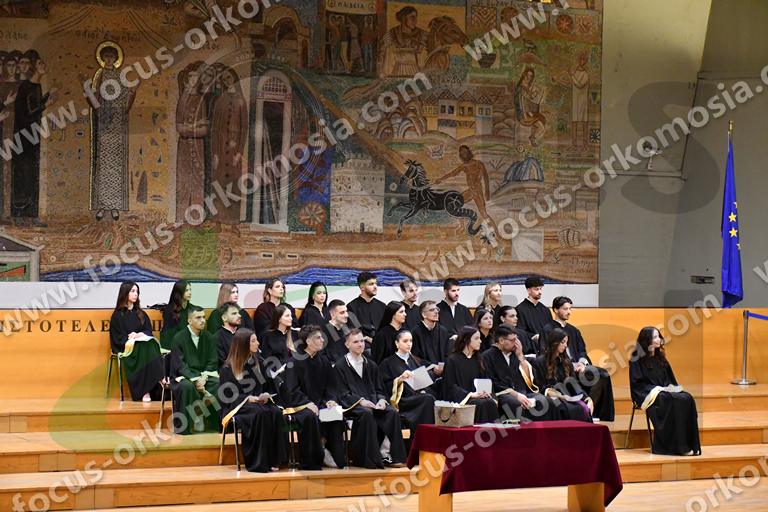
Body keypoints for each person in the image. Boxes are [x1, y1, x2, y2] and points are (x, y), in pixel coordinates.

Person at [334, 329, 407, 468]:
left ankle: (394, 457)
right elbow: (342, 393)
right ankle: (369, 459)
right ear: (347, 344)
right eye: (356, 342)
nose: (360, 344)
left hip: (373, 403)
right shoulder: (340, 366)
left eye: (362, 341)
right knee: (367, 413)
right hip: (352, 405)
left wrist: (381, 400)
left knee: (392, 412)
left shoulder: (371, 365)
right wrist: (361, 401)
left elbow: (380, 389)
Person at [219, 328, 288, 472]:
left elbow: (268, 385)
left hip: (258, 403)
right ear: (244, 344)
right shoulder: (228, 368)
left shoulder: (259, 363)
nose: (258, 343)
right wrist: (247, 399)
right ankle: (258, 461)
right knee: (259, 414)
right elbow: (227, 396)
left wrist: (266, 395)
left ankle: (276, 459)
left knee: (275, 412)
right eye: (253, 341)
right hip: (238, 406)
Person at [630, 327, 701, 456]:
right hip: (646, 394)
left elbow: (670, 380)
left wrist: (671, 389)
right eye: (655, 337)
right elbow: (637, 385)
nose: (659, 339)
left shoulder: (660, 358)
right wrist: (659, 390)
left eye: (659, 336)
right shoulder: (636, 360)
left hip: (663, 391)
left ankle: (689, 444)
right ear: (647, 340)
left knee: (687, 398)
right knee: (670, 399)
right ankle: (676, 447)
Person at [284, 325, 346, 469]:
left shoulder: (324, 362)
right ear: (308, 341)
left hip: (321, 404)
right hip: (300, 406)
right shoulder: (294, 362)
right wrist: (307, 403)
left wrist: (331, 400)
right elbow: (291, 390)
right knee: (310, 416)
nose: (322, 340)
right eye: (318, 338)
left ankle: (332, 453)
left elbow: (331, 386)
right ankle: (313, 459)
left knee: (336, 414)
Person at [544, 297, 615, 421]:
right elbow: (545, 351)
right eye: (565, 309)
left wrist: (582, 363)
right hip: (560, 367)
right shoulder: (548, 329)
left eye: (570, 309)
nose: (569, 312)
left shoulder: (574, 330)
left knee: (602, 374)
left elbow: (582, 350)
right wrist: (569, 364)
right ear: (556, 310)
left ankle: (592, 410)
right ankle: (584, 412)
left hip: (578, 366)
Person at [481, 325, 559, 421]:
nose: (516, 343)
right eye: (513, 340)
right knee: (514, 403)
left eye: (516, 339)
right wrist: (516, 395)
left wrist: (520, 356)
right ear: (501, 340)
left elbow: (529, 379)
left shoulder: (515, 353)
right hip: (502, 394)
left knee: (545, 400)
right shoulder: (487, 356)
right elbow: (492, 381)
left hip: (521, 391)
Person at [109, 281, 164, 402]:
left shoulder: (141, 314)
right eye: (132, 291)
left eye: (137, 292)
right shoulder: (117, 315)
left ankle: (151, 386)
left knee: (151, 343)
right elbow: (116, 337)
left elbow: (148, 331)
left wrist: (140, 334)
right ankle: (155, 382)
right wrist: (131, 337)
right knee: (144, 347)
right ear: (125, 293)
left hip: (143, 345)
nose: (136, 294)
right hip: (127, 347)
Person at [169, 306, 220, 434]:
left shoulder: (209, 337)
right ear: (189, 321)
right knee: (187, 386)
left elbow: (212, 361)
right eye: (198, 318)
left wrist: (203, 378)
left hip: (204, 376)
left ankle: (215, 423)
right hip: (183, 376)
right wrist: (195, 379)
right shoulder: (178, 338)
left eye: (204, 317)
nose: (203, 320)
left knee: (219, 384)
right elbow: (180, 365)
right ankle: (188, 423)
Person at [532, 328, 592, 423]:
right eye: (563, 342)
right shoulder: (539, 362)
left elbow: (574, 384)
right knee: (569, 409)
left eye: (566, 342)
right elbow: (540, 386)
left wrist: (587, 398)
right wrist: (559, 395)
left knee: (584, 408)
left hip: (567, 397)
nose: (566, 345)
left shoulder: (566, 362)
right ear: (554, 342)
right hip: (552, 398)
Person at [379, 330, 436, 428]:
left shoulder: (414, 360)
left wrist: (423, 389)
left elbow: (422, 382)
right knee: (427, 399)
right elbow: (384, 386)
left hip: (417, 396)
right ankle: (424, 431)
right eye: (405, 341)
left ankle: (426, 431)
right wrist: (400, 379)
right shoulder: (387, 363)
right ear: (397, 343)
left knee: (430, 397)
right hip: (402, 400)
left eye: (411, 341)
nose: (409, 344)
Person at [442, 327, 499, 423]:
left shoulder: (479, 360)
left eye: (480, 338)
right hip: (462, 399)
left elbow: (485, 380)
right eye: (476, 338)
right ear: (466, 340)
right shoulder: (452, 360)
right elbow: (449, 386)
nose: (480, 341)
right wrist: (470, 395)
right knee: (480, 404)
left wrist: (485, 392)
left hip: (478, 397)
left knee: (490, 402)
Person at [411, 300, 451, 385]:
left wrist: (443, 366)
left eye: (437, 309)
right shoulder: (416, 332)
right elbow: (414, 356)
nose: (436, 312)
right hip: (425, 369)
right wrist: (432, 366)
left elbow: (448, 353)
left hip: (443, 368)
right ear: (424, 314)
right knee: (427, 376)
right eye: (432, 310)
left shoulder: (443, 331)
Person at [346, 271, 386, 343]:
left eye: (376, 283)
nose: (375, 287)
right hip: (363, 344)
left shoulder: (382, 306)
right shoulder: (351, 307)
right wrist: (367, 338)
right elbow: (353, 331)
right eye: (371, 284)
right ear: (362, 287)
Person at [515, 276, 552, 352]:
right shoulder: (520, 309)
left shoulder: (545, 309)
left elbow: (550, 328)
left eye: (540, 289)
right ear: (529, 290)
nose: (540, 292)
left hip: (546, 348)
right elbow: (520, 331)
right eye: (536, 289)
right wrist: (534, 336)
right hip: (530, 348)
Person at [160, 280, 198, 352]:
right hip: (174, 345)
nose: (190, 293)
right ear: (179, 292)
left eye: (190, 290)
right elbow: (167, 334)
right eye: (186, 290)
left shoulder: (193, 309)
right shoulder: (170, 310)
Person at [323, 299, 350, 364]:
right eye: (342, 313)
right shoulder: (324, 331)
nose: (346, 315)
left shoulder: (346, 329)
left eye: (346, 311)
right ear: (332, 315)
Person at [215, 301, 242, 366]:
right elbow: (223, 362)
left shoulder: (244, 333)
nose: (239, 316)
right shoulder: (217, 337)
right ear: (224, 318)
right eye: (234, 313)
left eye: (238, 313)